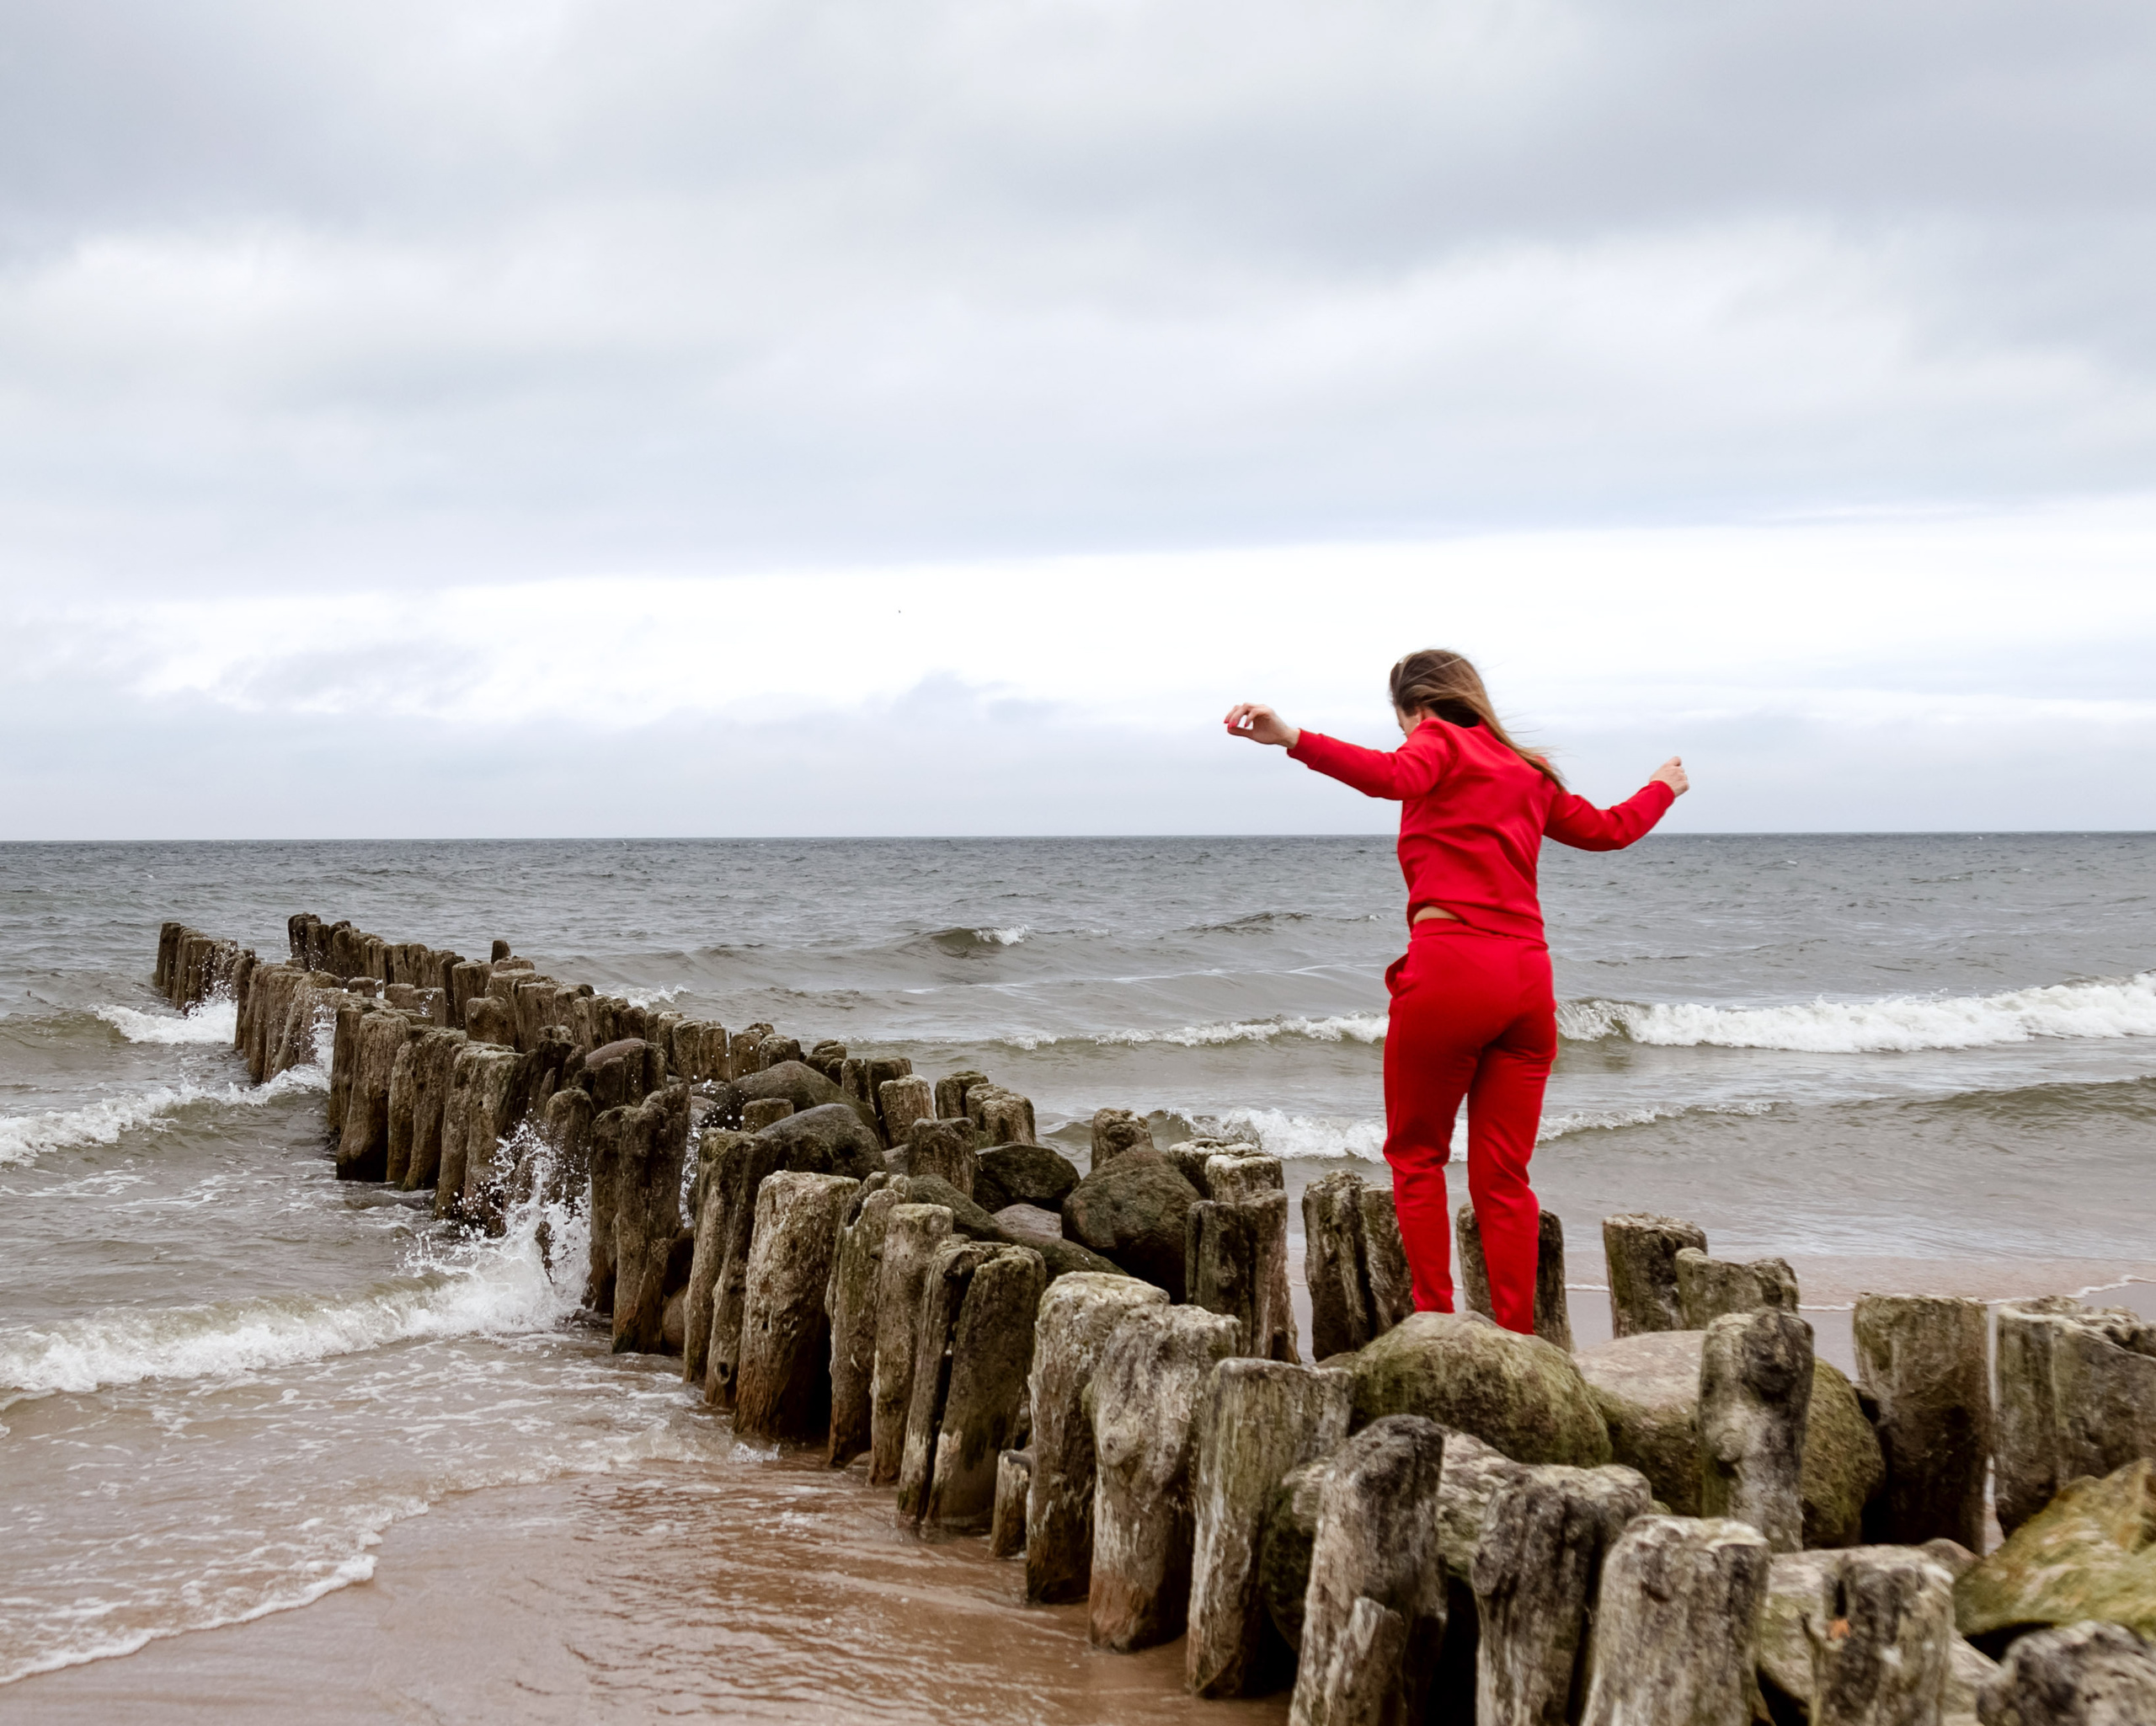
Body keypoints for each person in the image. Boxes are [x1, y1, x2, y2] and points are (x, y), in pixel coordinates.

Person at [1224, 649, 1688, 1335]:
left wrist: (1292, 739)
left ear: (1415, 708)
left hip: (1452, 971)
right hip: (1529, 983)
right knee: (1504, 1178)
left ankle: (1436, 1324)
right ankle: (1517, 1337)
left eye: (1402, 721)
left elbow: (1387, 775)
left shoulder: (1435, 743)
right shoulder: (1527, 771)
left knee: (1417, 1156)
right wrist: (1662, 788)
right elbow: (1608, 830)